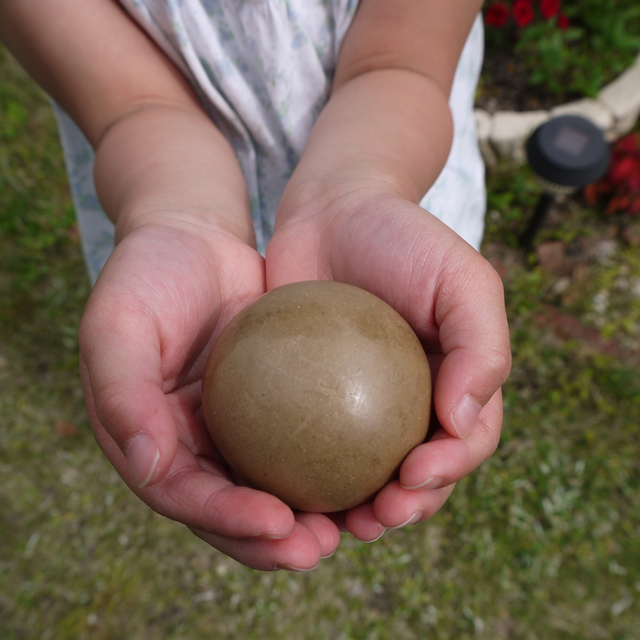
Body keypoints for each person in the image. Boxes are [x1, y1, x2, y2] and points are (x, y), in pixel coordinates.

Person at [0, 0, 511, 572]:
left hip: (383, 204)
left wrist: (356, 191)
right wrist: (180, 217)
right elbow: (134, 106)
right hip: (190, 263)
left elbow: (400, 62)